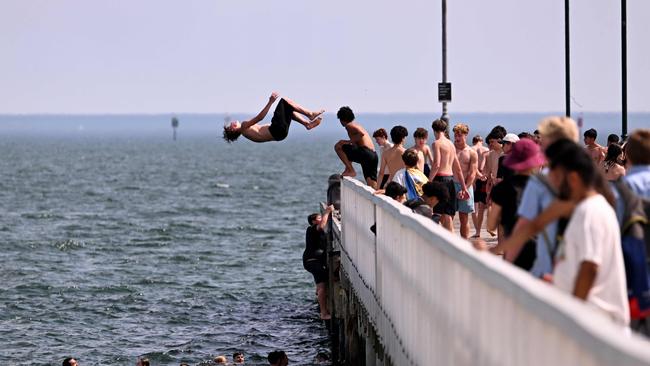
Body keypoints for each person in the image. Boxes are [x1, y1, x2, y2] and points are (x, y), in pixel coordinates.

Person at [488, 116, 579, 278]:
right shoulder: (580, 182)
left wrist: (499, 255)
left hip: (535, 257)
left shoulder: (538, 185)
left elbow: (523, 227)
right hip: (565, 263)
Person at [549, 143, 629, 325]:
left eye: (557, 179)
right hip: (592, 319)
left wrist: (573, 315)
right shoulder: (587, 209)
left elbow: (590, 266)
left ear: (574, 178)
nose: (555, 186)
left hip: (594, 321)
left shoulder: (589, 212)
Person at [487, 138, 545, 270]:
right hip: (539, 249)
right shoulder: (542, 188)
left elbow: (491, 226)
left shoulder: (501, 189)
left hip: (512, 249)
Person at [222, 92, 324, 143]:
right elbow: (260, 117)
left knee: (288, 108)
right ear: (233, 128)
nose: (231, 122)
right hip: (276, 129)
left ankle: (307, 124)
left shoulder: (246, 134)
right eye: (231, 125)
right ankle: (310, 115)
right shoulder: (244, 126)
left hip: (280, 135)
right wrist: (270, 102)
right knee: (284, 101)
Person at [429, 119, 469, 233]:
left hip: (440, 179)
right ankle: (451, 240)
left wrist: (429, 182)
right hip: (450, 180)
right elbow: (458, 168)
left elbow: (436, 164)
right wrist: (464, 188)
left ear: (434, 130)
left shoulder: (436, 143)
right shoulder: (451, 144)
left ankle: (443, 241)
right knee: (447, 214)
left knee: (437, 212)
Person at [334, 106, 378, 188]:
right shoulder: (356, 125)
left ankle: (351, 170)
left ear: (342, 119)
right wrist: (351, 143)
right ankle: (375, 196)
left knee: (338, 146)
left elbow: (361, 134)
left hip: (366, 153)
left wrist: (348, 141)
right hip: (373, 155)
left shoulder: (349, 126)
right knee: (370, 180)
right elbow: (353, 147)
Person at [304, 205, 334, 320]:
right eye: (319, 218)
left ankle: (318, 291)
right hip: (313, 261)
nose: (322, 219)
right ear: (313, 221)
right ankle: (324, 313)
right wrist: (327, 212)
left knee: (322, 282)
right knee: (322, 287)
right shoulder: (313, 228)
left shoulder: (312, 231)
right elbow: (321, 226)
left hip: (313, 261)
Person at [453, 123, 478, 239]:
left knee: (464, 217)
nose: (457, 138)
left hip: (466, 186)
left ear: (466, 135)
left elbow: (473, 173)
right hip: (451, 184)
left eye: (459, 135)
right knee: (448, 215)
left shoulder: (471, 152)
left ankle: (464, 243)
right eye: (455, 135)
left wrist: (465, 188)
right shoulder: (451, 149)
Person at [472, 135, 490, 238]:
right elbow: (484, 167)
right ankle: (489, 227)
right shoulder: (487, 150)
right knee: (485, 205)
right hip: (485, 179)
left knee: (474, 208)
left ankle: (477, 230)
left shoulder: (471, 149)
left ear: (474, 141)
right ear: (481, 141)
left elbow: (473, 168)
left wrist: (473, 181)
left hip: (475, 179)